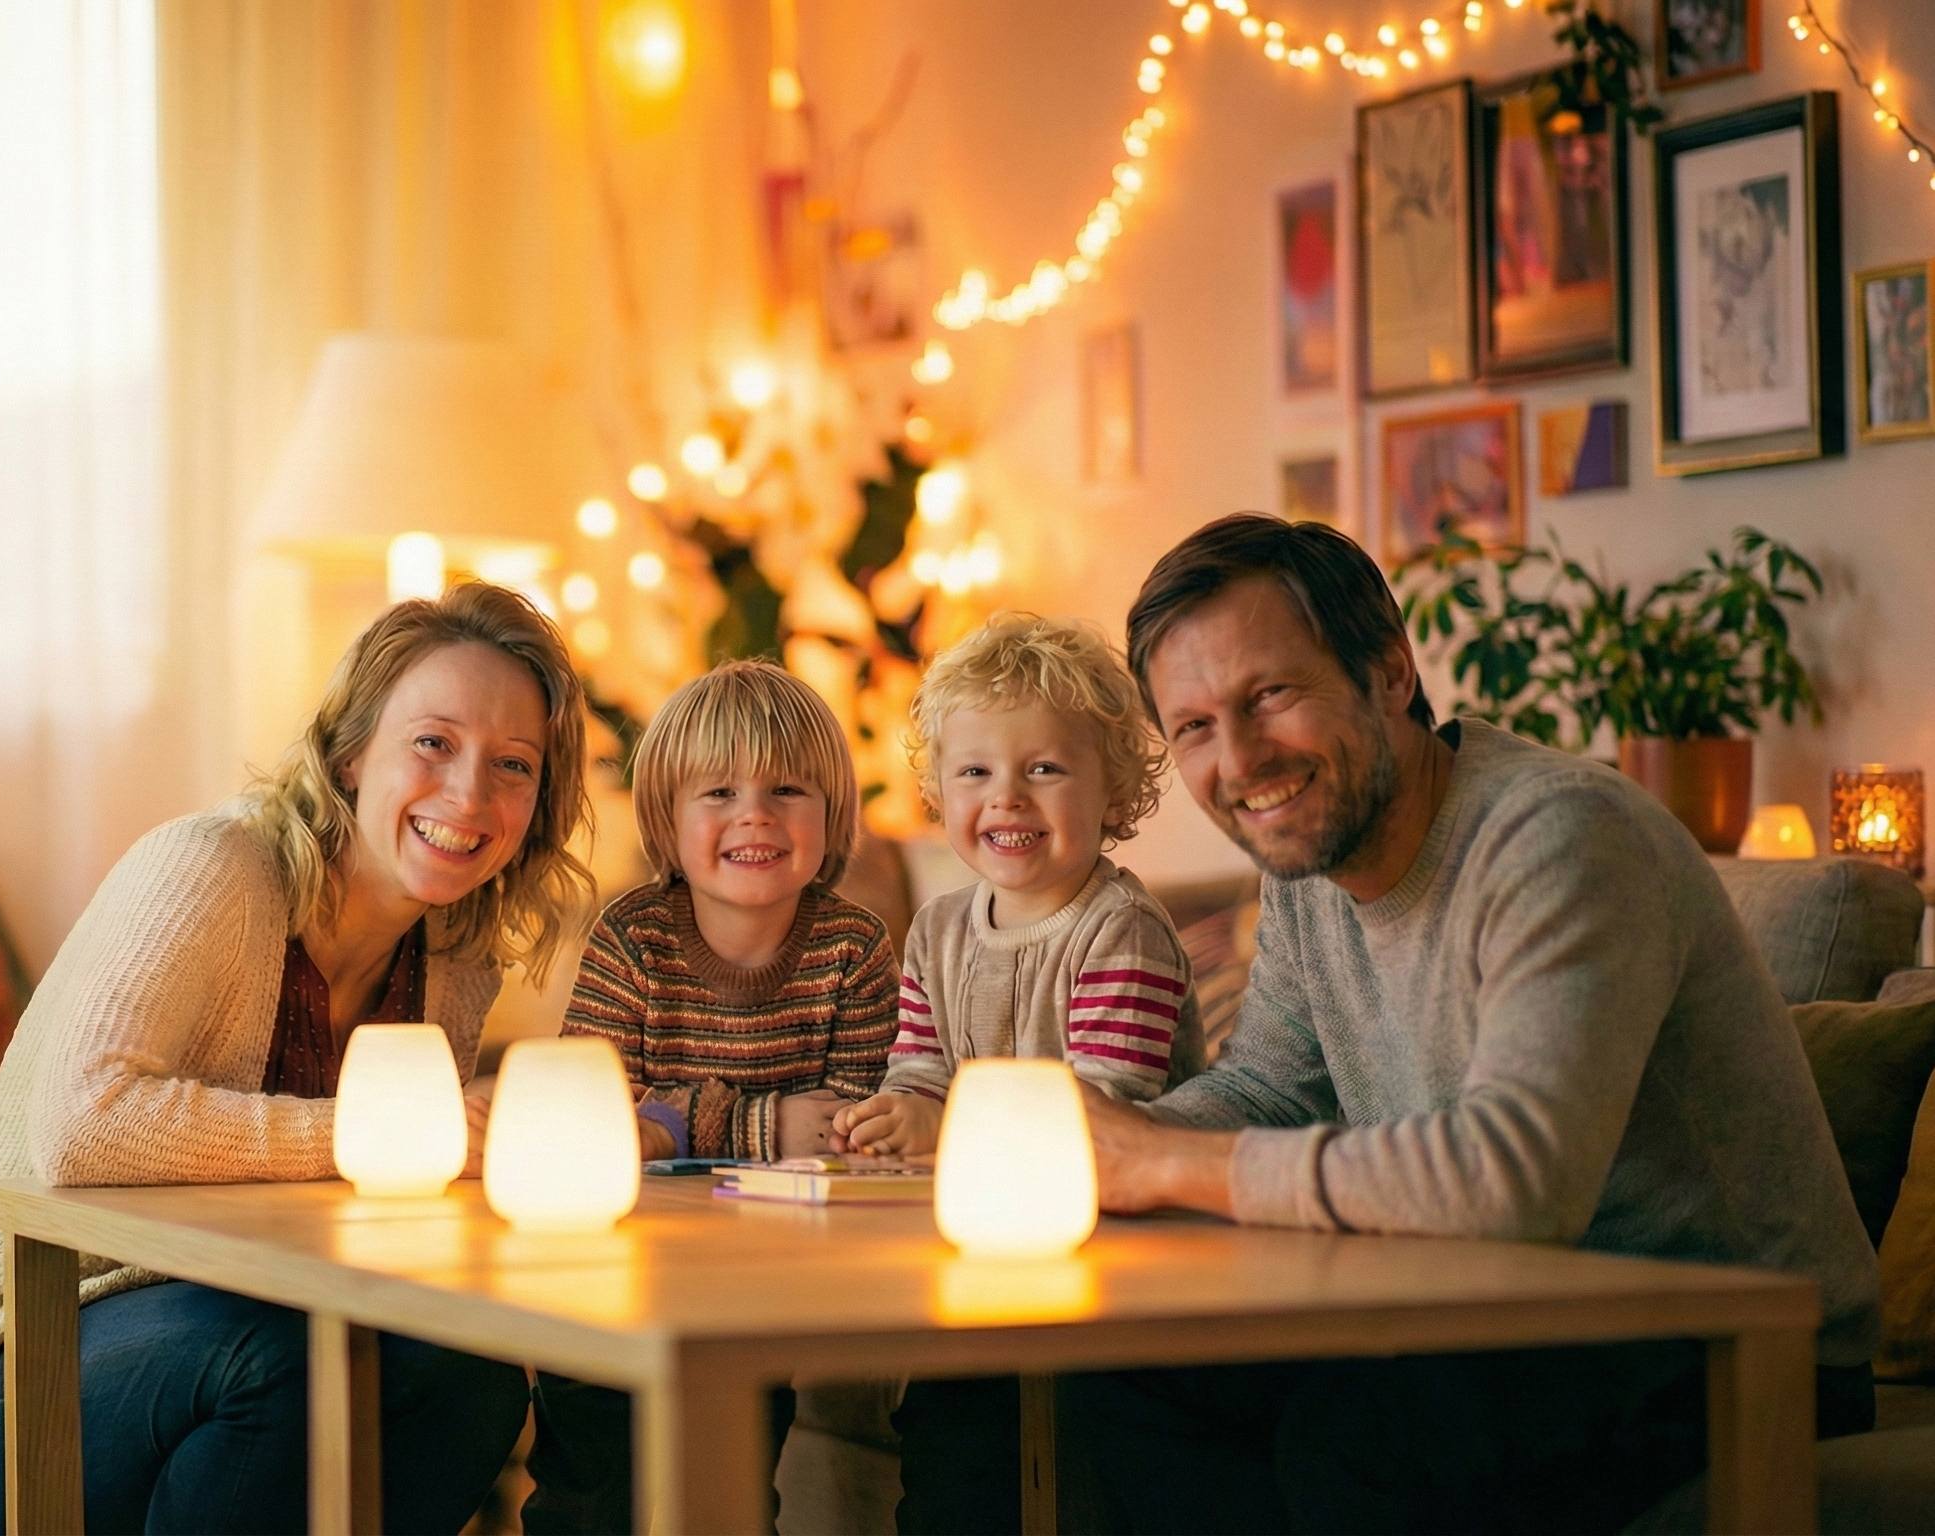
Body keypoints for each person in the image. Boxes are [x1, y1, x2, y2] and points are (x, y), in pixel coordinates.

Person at [1059, 512, 1880, 1532]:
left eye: (1269, 694)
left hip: (1734, 1343)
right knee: (1097, 1374)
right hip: (1500, 1310)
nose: (1239, 758)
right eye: (1192, 727)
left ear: (1389, 672)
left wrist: (1163, 1167)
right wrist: (1074, 1137)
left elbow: (1515, 1180)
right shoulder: (1316, 866)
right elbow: (1264, 1091)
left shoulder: (1560, 837)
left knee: (1365, 1437)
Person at [0, 582, 595, 1535]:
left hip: (238, 1342)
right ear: (348, 750)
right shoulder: (212, 867)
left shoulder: (455, 955)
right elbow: (83, 1130)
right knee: (281, 1360)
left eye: (514, 765)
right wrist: (382, 1136)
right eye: (432, 743)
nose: (469, 794)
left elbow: (387, 1196)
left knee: (474, 1379)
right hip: (7, 1362)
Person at [825, 611, 1199, 1534]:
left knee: (1062, 1441)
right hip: (983, 1253)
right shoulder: (938, 930)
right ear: (938, 791)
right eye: (975, 772)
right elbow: (917, 1069)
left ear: (1113, 790)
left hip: (1114, 1261)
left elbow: (1100, 1118)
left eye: (1044, 769)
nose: (1007, 799)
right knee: (950, 1433)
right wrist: (889, 1114)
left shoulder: (1121, 933)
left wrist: (940, 1127)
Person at [523, 658, 900, 1534]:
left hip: (762, 1278)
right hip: (612, 1260)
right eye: (717, 792)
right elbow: (589, 1112)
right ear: (665, 819)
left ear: (832, 814)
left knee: (733, 1494)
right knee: (585, 1492)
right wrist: (753, 1120)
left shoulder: (852, 948)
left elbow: (849, 1122)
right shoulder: (633, 936)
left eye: (788, 790)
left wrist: (669, 1117)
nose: (755, 815)